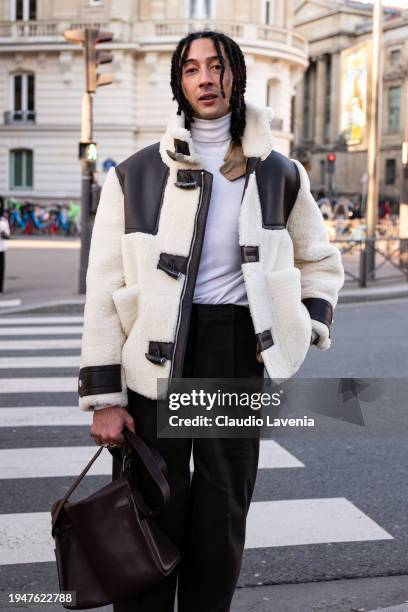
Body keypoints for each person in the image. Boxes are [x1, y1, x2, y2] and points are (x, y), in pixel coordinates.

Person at [78, 30, 344, 612]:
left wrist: (308, 321)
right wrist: (104, 398)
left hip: (234, 350)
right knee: (153, 502)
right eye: (192, 68)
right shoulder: (136, 174)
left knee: (223, 507)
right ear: (179, 81)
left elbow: (321, 261)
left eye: (217, 66)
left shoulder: (279, 174)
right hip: (156, 354)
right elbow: (103, 286)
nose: (205, 78)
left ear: (236, 75)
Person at [0, 196, 11, 295]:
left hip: (1, 248)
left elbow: (8, 235)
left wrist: (4, 234)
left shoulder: (3, 220)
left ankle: (0, 289)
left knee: (1, 268)